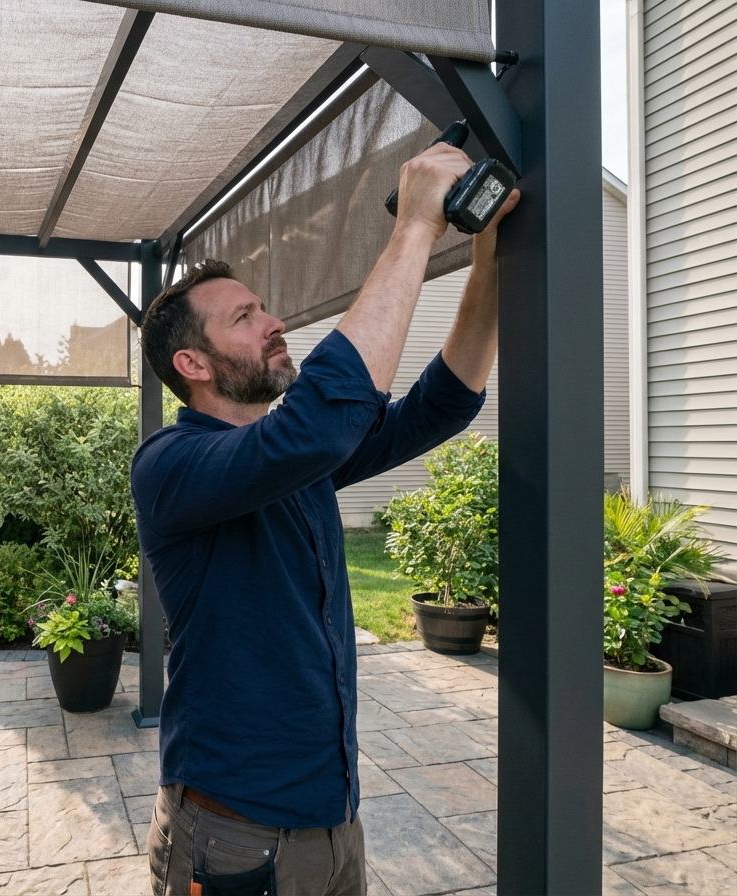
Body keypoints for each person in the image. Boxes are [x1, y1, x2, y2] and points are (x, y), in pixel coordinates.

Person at [130, 140, 520, 896]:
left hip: (333, 822)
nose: (275, 322)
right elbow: (316, 427)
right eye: (245, 317)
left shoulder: (298, 460)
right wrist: (413, 229)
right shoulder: (172, 467)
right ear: (194, 365)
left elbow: (440, 405)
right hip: (234, 839)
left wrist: (489, 263)